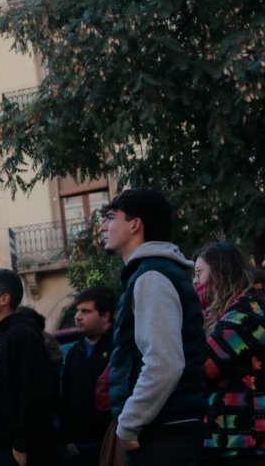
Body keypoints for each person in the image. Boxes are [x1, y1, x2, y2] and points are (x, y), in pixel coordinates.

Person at [102, 188, 205, 466]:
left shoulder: (152, 276)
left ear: (135, 224)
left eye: (111, 218)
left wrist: (129, 423)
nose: (104, 226)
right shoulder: (152, 273)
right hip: (168, 428)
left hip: (164, 433)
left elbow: (164, 363)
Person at [0, 269, 57, 466]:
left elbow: (34, 394)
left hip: (9, 452)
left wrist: (21, 447)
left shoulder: (23, 335)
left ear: (4, 299)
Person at [192, 242, 265, 464]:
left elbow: (205, 365)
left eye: (199, 273)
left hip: (244, 442)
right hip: (234, 439)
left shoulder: (246, 311)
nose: (195, 281)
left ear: (221, 271)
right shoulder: (240, 307)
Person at [61, 287, 116, 466]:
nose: (77, 316)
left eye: (85, 311)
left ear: (106, 316)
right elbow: (65, 397)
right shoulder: (74, 353)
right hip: (77, 448)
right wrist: (67, 438)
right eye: (77, 311)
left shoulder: (119, 349)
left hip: (110, 443)